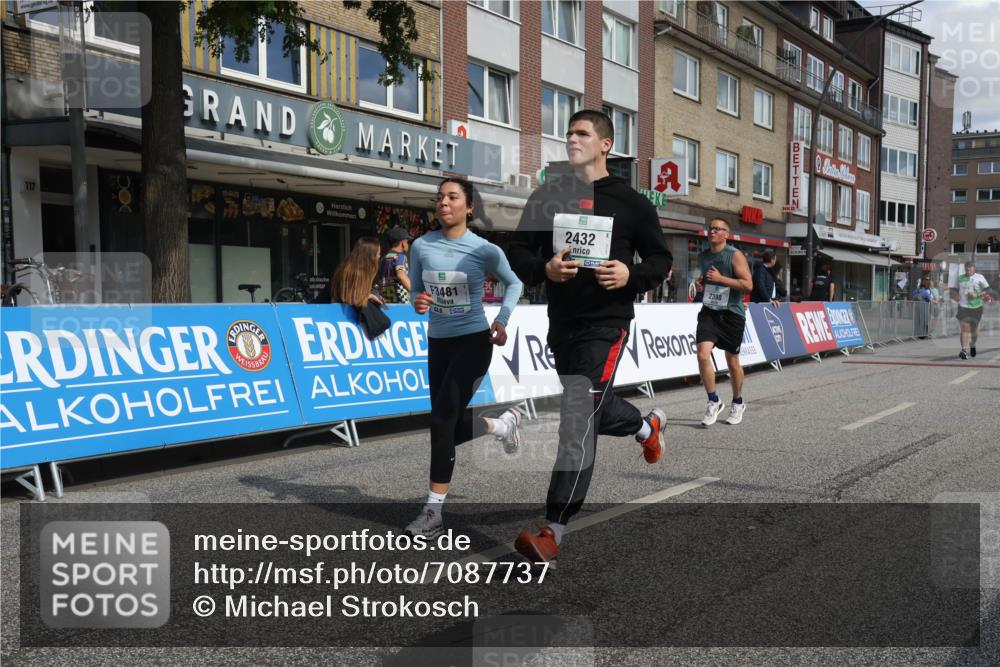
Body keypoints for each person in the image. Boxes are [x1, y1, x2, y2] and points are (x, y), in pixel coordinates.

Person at [506, 109, 672, 565]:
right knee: (590, 405)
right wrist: (545, 269)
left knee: (578, 412)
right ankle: (645, 427)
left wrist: (631, 274)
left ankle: (552, 528)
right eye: (569, 134)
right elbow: (517, 250)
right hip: (563, 323)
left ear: (605, 145)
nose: (572, 140)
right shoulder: (549, 194)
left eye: (582, 133)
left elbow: (661, 261)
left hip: (608, 321)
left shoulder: (632, 202)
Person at [404, 177, 525, 537]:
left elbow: (515, 283)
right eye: (439, 197)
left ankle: (433, 513)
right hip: (438, 344)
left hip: (474, 342)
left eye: (452, 197)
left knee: (440, 422)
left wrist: (502, 321)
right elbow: (416, 294)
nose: (443, 203)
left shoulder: (484, 249)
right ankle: (503, 425)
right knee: (450, 426)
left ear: (468, 207)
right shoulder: (421, 246)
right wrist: (419, 302)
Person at [694, 218, 753, 427]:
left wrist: (721, 280)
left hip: (732, 313)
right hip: (710, 311)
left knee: (732, 362)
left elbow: (748, 285)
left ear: (726, 234)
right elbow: (708, 278)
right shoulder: (703, 256)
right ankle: (713, 400)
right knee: (702, 354)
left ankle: (738, 401)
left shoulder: (734, 255)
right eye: (711, 228)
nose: (713, 231)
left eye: (718, 229)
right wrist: (702, 282)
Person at [329, 236, 385, 308]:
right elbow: (350, 298)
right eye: (378, 253)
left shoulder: (351, 268)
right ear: (370, 255)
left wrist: (374, 295)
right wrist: (369, 296)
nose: (379, 256)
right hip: (341, 313)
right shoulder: (355, 272)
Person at [956, 261, 990, 360]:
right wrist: (955, 295)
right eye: (966, 269)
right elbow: (954, 290)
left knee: (974, 330)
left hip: (976, 307)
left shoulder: (980, 277)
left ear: (974, 269)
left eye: (970, 268)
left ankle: (972, 344)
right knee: (964, 327)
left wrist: (978, 294)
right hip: (963, 307)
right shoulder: (960, 278)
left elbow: (987, 289)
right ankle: (963, 350)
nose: (968, 270)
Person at [377, 227, 413, 304]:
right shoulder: (400, 257)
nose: (407, 244)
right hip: (401, 303)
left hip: (386, 302)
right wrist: (415, 293)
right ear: (403, 243)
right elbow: (401, 275)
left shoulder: (384, 258)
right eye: (407, 242)